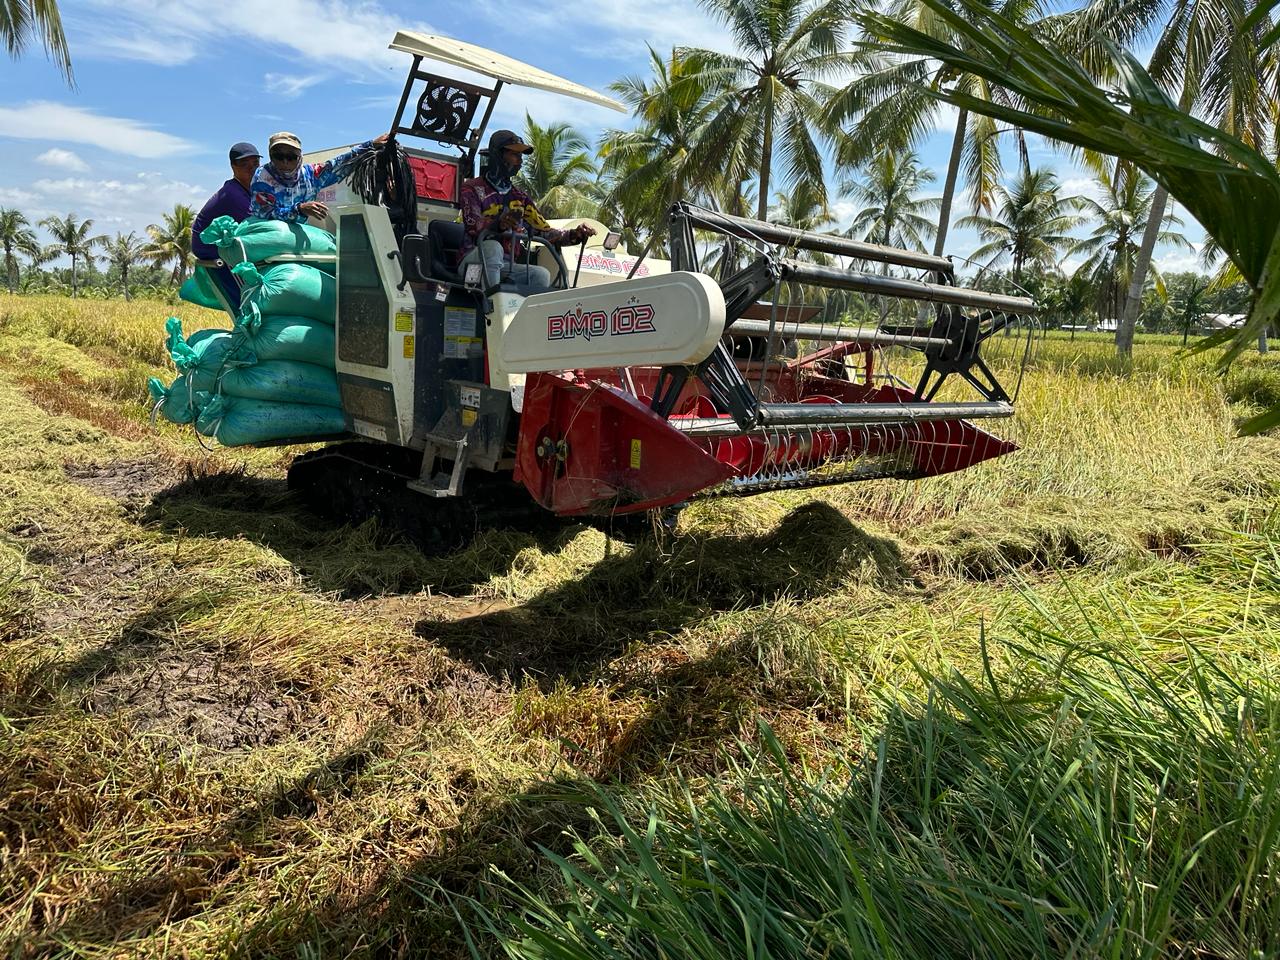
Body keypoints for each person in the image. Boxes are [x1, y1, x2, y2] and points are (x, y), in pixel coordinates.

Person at [459, 129, 595, 293]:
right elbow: (474, 225)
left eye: (521, 156)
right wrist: (499, 224)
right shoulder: (472, 188)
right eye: (515, 155)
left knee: (541, 275)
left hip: (507, 266)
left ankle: (523, 318)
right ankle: (492, 309)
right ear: (497, 155)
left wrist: (574, 234)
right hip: (473, 264)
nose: (520, 161)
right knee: (493, 248)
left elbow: (543, 231)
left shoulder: (521, 197)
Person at [248, 130, 390, 222]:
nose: (285, 162)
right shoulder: (262, 177)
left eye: (291, 157)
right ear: (270, 156)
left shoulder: (310, 175)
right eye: (278, 156)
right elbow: (265, 213)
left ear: (299, 157)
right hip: (267, 232)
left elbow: (337, 164)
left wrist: (370, 145)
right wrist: (299, 209)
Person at [191, 141, 260, 306]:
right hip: (215, 252)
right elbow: (259, 226)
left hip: (223, 250)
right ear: (233, 167)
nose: (252, 169)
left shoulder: (246, 190)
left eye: (255, 164)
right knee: (249, 302)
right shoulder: (233, 195)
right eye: (245, 164)